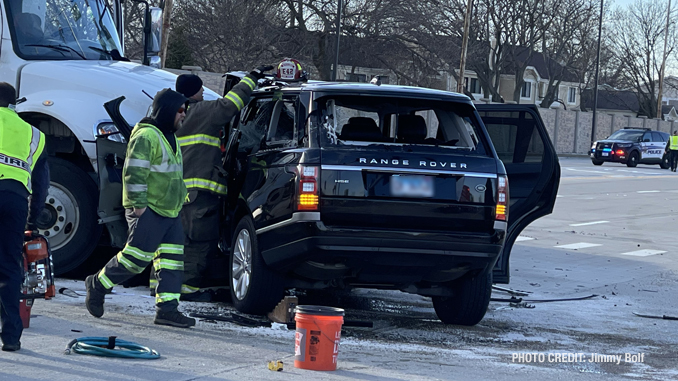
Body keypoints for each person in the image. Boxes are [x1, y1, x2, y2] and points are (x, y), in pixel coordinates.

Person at [85, 88, 196, 328]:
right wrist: (138, 206)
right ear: (166, 110)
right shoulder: (147, 136)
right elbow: (134, 172)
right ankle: (98, 283)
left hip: (170, 211)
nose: (183, 115)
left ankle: (167, 310)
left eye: (185, 110)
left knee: (171, 263)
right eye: (180, 110)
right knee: (136, 259)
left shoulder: (169, 135)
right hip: (150, 209)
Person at [164, 66, 272, 302]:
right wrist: (252, 78)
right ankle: (186, 289)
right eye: (201, 89)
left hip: (174, 190)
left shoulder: (170, 113)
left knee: (173, 240)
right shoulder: (202, 111)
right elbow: (231, 104)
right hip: (199, 193)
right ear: (193, 92)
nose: (204, 92)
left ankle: (161, 285)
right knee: (197, 240)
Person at [0, 82, 49, 351]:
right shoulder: (35, 135)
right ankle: (10, 338)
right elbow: (41, 185)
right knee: (9, 268)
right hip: (16, 200)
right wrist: (32, 221)